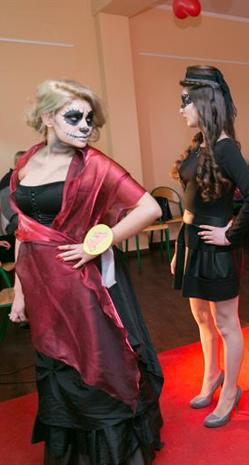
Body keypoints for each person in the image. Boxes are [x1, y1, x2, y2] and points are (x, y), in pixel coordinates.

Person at [9, 79, 164, 463]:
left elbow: (150, 208)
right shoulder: (27, 162)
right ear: (47, 117)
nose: (84, 126)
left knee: (95, 361)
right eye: (74, 117)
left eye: (89, 119)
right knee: (57, 365)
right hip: (42, 287)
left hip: (82, 284)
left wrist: (97, 243)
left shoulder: (94, 164)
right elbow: (24, 230)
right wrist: (20, 292)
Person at [171, 65, 249, 427]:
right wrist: (180, 247)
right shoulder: (200, 144)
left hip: (218, 247)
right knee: (201, 318)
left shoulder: (225, 148)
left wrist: (230, 234)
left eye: (186, 101)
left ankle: (230, 390)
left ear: (205, 102)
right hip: (192, 241)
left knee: (226, 324)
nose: (181, 109)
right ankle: (212, 376)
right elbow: (192, 199)